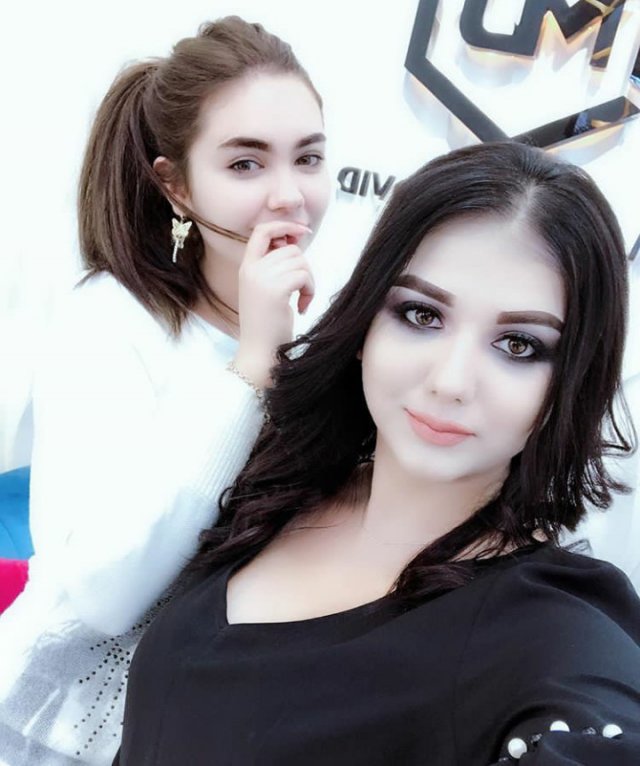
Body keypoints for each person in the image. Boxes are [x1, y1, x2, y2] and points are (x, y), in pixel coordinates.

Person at [116, 142, 640, 765]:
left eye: (519, 346)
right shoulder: (278, 485)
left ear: (570, 383)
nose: (450, 381)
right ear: (366, 321)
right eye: (421, 314)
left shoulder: (548, 629)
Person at [0, 16, 330, 765]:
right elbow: (105, 596)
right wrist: (253, 366)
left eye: (308, 158)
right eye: (245, 164)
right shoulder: (109, 321)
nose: (290, 195)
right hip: (66, 731)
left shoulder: (319, 336)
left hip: (220, 724)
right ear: (175, 185)